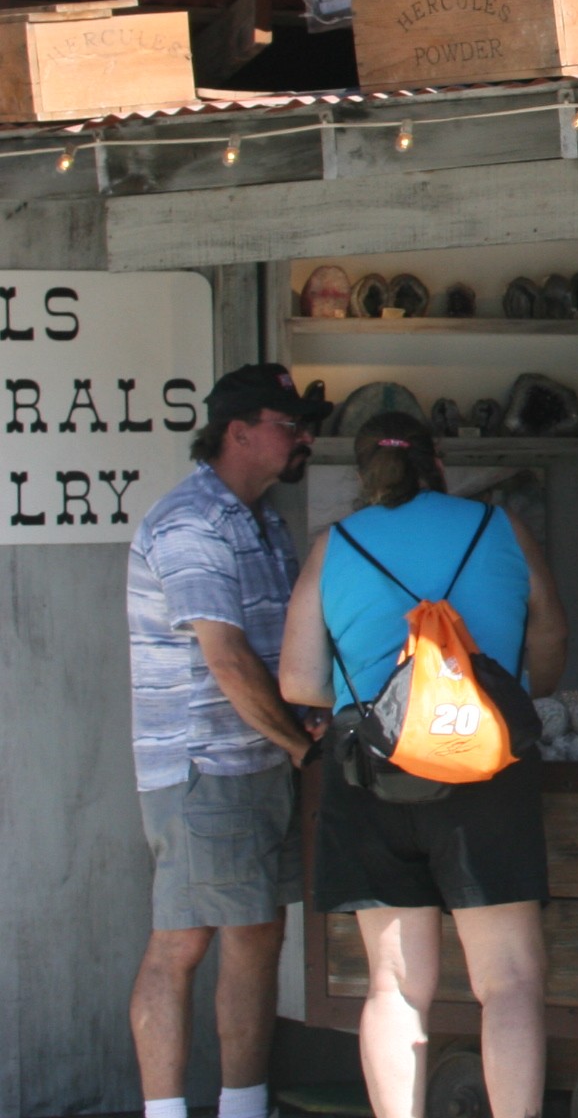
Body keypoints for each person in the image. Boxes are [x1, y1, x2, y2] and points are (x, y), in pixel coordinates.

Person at [279, 413, 567, 1118]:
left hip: (371, 772)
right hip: (484, 767)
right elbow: (551, 642)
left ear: (362, 469)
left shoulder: (334, 545)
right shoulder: (497, 529)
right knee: (508, 983)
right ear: (439, 461)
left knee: (396, 988)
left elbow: (296, 681)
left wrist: (372, 695)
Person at [126, 363, 329, 1118]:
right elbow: (227, 658)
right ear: (238, 432)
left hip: (255, 758)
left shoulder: (260, 517)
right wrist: (302, 747)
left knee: (254, 932)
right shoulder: (193, 523)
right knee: (181, 941)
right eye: (287, 424)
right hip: (204, 764)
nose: (303, 437)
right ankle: (165, 1111)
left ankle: (243, 1107)